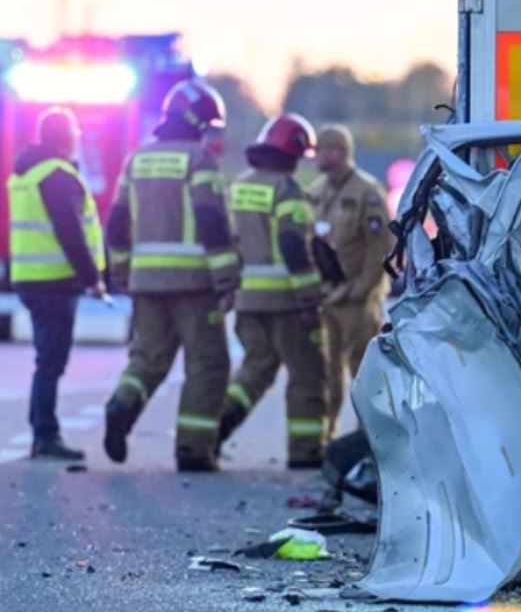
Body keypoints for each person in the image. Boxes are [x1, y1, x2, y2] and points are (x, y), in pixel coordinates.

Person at [102, 80, 240, 472]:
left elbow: (116, 223)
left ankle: (121, 405)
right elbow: (212, 222)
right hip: (194, 285)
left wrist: (123, 271)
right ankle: (193, 450)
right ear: (196, 120)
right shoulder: (198, 160)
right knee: (207, 363)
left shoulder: (137, 160)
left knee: (147, 359)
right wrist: (227, 279)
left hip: (146, 283)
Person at [217, 114, 328, 468]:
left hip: (248, 299)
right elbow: (293, 245)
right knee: (307, 373)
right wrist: (309, 299)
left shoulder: (241, 186)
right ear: (292, 153)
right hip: (286, 303)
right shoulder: (287, 190)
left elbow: (232, 241)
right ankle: (305, 451)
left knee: (254, 371)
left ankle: (212, 432)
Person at [5, 108, 106, 460]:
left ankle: (41, 432)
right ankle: (45, 435)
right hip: (55, 281)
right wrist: (93, 278)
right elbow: (70, 231)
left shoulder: (24, 173)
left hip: (29, 279)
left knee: (45, 358)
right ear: (69, 137)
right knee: (51, 362)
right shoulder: (58, 175)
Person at [308, 125, 394, 437]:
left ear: (341, 153)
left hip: (357, 298)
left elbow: (380, 245)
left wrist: (363, 288)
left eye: (325, 150)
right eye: (318, 150)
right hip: (325, 296)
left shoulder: (366, 192)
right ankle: (324, 432)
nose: (319, 156)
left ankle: (368, 436)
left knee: (362, 369)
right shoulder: (317, 191)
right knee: (325, 371)